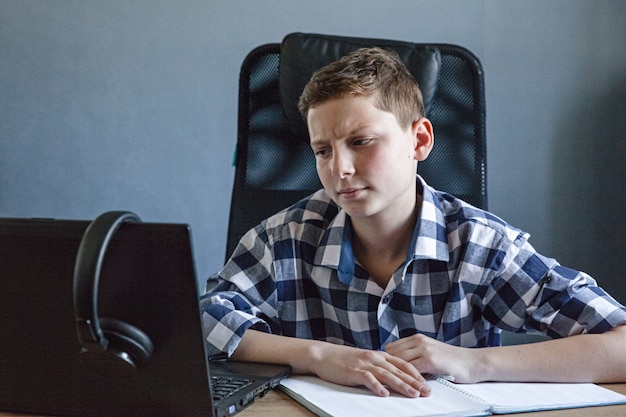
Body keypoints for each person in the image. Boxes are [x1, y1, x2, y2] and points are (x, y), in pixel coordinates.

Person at [200, 47, 626, 398]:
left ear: (419, 140)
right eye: (323, 151)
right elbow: (204, 322)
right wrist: (319, 356)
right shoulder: (285, 238)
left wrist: (473, 364)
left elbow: (620, 342)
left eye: (360, 142)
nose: (340, 168)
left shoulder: (480, 245)